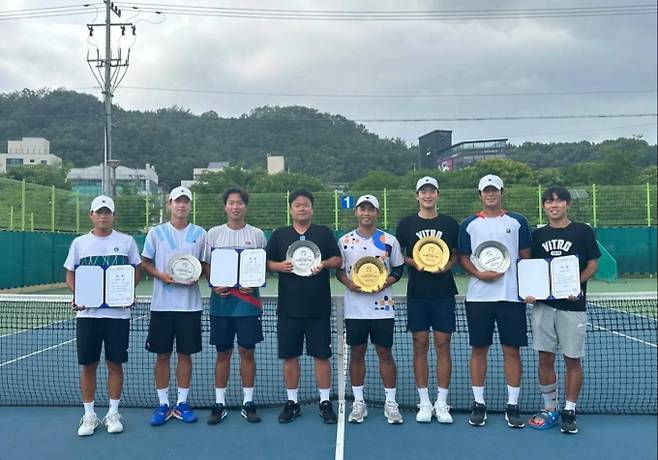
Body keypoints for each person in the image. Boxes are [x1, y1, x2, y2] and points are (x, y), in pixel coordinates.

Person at [63, 195, 141, 436]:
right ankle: (89, 416)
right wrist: (79, 294)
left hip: (118, 316)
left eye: (107, 212)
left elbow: (136, 270)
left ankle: (113, 413)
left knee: (115, 363)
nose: (103, 216)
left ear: (114, 216)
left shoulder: (127, 242)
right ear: (91, 215)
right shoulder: (79, 243)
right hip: (88, 316)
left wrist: (128, 291)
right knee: (88, 365)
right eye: (99, 212)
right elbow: (70, 274)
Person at [458, 174, 532, 428]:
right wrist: (479, 273)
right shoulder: (469, 224)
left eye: (495, 190)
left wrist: (528, 289)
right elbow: (464, 257)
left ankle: (512, 404)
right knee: (479, 350)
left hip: (512, 297)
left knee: (512, 351)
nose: (490, 194)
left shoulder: (518, 221)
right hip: (479, 297)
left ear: (502, 192)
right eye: (486, 191)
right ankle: (479, 403)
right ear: (480, 195)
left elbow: (525, 258)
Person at [524, 186, 600, 434]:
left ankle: (569, 410)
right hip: (544, 307)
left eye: (558, 201)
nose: (553, 206)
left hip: (573, 306)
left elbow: (592, 264)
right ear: (544, 206)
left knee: (572, 359)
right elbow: (531, 269)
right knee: (545, 357)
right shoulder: (537, 235)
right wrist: (530, 292)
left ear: (568, 204)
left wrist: (576, 284)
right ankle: (550, 408)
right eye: (548, 202)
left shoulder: (583, 231)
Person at [266, 188, 342, 424]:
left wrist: (323, 263)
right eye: (297, 205)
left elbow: (338, 260)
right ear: (291, 209)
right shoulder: (279, 235)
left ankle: (325, 401)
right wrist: (280, 267)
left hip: (318, 307)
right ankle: (292, 402)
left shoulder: (323, 233)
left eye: (306, 205)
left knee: (321, 356)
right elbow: (267, 263)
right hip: (289, 308)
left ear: (312, 208)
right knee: (290, 357)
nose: (301, 208)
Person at [395, 176, 460, 423]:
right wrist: (417, 263)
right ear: (417, 196)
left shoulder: (450, 224)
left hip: (443, 293)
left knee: (443, 345)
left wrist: (448, 266)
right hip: (418, 294)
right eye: (423, 191)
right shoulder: (406, 224)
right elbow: (399, 255)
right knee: (419, 345)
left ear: (438, 195)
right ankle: (424, 401)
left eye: (432, 191)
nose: (428, 195)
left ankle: (442, 402)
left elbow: (454, 255)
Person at [141, 186, 207, 426]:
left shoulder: (200, 233)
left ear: (190, 206)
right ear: (169, 204)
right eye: (177, 202)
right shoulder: (155, 233)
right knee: (162, 355)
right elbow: (145, 262)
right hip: (162, 307)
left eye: (185, 202)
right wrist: (160, 275)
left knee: (185, 355)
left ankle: (181, 403)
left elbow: (203, 265)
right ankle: (162, 404)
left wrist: (198, 275)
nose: (181, 206)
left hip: (190, 306)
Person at [336, 195, 405, 424]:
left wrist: (387, 282)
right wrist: (349, 283)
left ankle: (391, 403)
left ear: (377, 212)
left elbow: (398, 269)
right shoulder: (345, 241)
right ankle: (358, 403)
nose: (366, 213)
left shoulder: (389, 240)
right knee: (357, 354)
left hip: (383, 308)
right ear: (356, 212)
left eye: (371, 209)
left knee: (385, 353)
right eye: (362, 209)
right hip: (355, 309)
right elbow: (339, 271)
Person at [205, 187, 268, 424]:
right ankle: (219, 403)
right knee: (223, 353)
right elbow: (206, 265)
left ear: (245, 206)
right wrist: (213, 285)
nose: (235, 206)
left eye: (240, 203)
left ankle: (247, 402)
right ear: (225, 206)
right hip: (221, 305)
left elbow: (260, 266)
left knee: (247, 352)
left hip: (248, 304)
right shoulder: (213, 234)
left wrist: (254, 283)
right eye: (231, 202)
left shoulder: (258, 235)